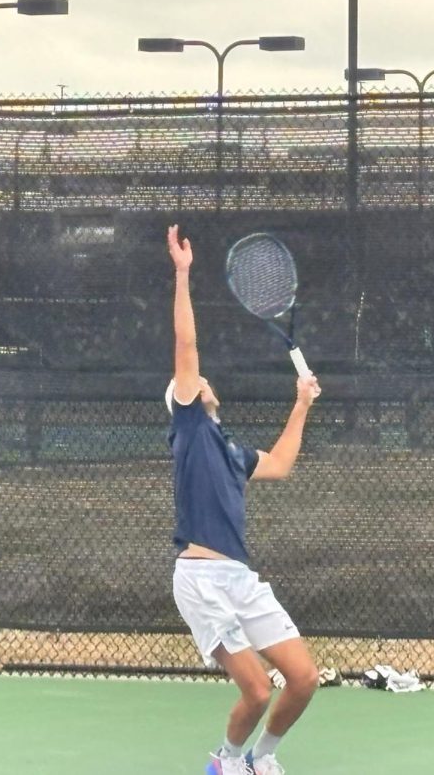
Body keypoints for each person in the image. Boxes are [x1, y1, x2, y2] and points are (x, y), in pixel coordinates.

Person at [165, 224, 322, 775]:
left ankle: (262, 759)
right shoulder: (189, 427)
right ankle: (225, 763)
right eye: (194, 380)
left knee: (303, 678)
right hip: (202, 579)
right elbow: (186, 345)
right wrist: (183, 275)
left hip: (240, 578)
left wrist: (301, 403)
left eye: (201, 380)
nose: (201, 380)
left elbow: (278, 464)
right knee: (255, 692)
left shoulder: (230, 452)